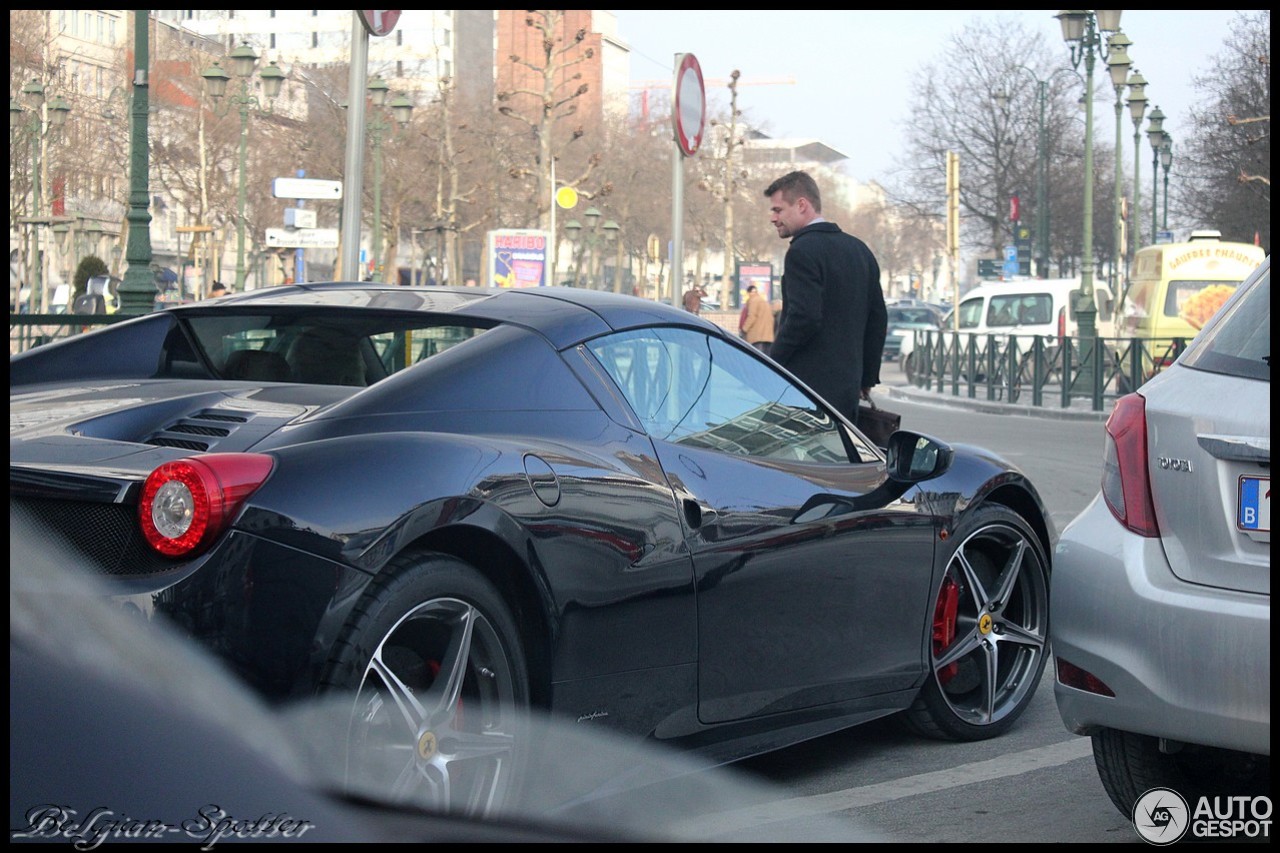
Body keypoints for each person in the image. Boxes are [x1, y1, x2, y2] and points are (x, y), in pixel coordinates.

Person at [763, 170, 887, 425]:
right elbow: (878, 320)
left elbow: (804, 317)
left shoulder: (802, 252)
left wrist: (772, 363)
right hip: (847, 393)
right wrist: (866, 378)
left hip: (805, 393)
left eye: (778, 210)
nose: (772, 218)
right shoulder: (860, 250)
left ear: (801, 205)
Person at [739, 284, 774, 355]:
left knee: (756, 356)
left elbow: (752, 316)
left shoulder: (753, 301)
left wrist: (744, 329)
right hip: (768, 335)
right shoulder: (764, 301)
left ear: (748, 293)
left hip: (757, 335)